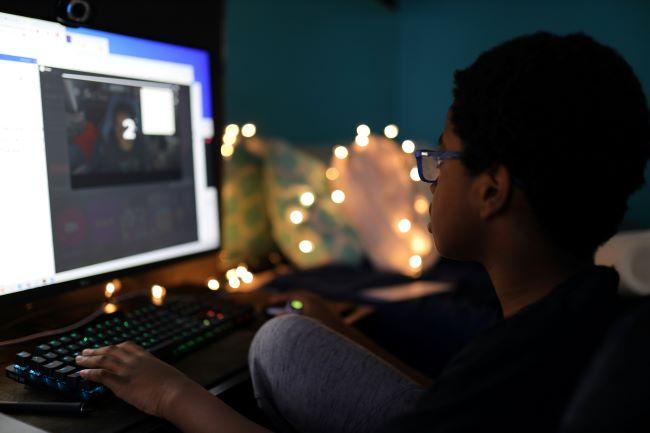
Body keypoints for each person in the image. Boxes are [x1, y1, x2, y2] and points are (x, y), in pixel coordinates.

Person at [75, 31, 650, 433]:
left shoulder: (524, 357)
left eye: (441, 158)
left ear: (492, 190)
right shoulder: (580, 314)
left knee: (278, 345)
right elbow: (445, 408)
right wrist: (347, 336)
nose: (427, 179)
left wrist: (172, 395)